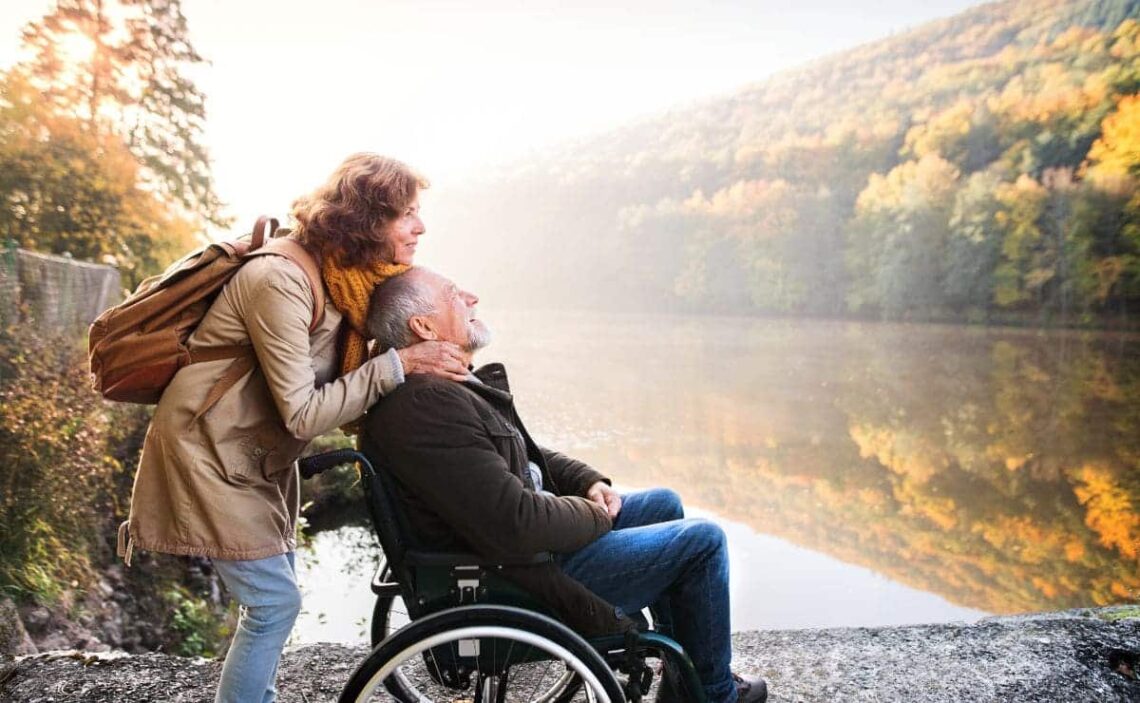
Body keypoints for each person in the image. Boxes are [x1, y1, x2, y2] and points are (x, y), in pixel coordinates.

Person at [121, 154, 470, 703]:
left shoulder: (348, 283)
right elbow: (303, 412)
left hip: (253, 455)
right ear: (365, 221)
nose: (420, 227)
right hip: (208, 452)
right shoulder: (280, 280)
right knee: (272, 603)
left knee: (272, 595)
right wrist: (400, 364)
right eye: (407, 214)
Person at [361, 267, 768, 703]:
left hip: (524, 554)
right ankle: (713, 694)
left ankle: (686, 682)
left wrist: (587, 481)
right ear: (423, 326)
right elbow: (518, 524)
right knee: (702, 544)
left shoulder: (444, 387)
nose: (472, 297)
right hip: (521, 576)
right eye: (454, 294)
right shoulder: (426, 407)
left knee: (663, 504)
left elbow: (523, 453)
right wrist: (594, 515)